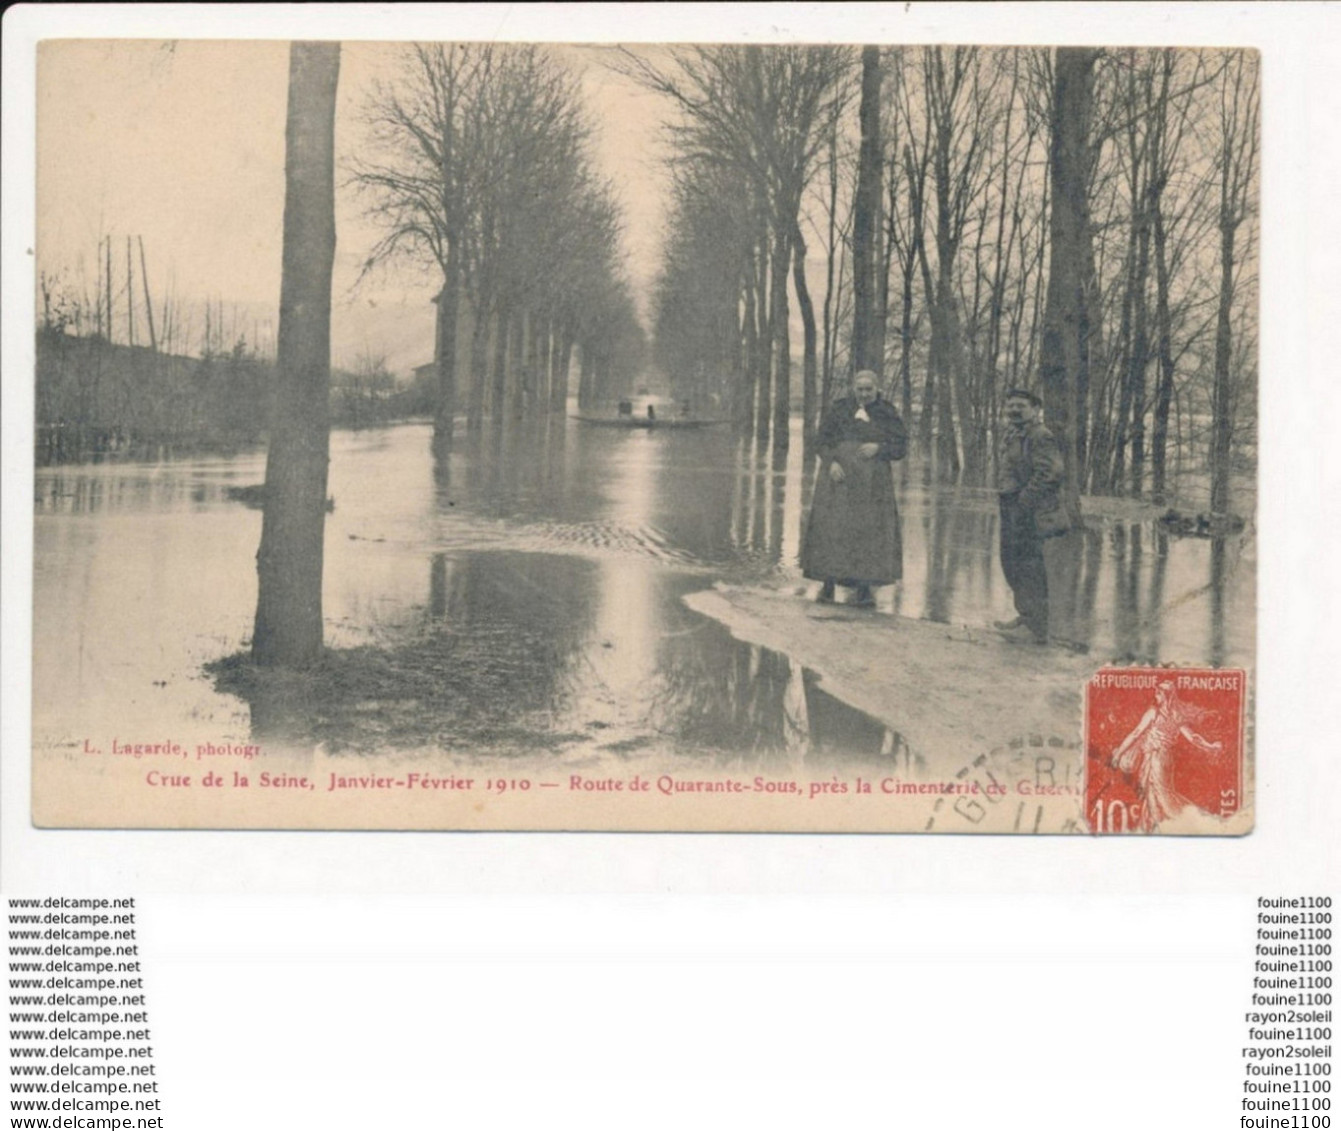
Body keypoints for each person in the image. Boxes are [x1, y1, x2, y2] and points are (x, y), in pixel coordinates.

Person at [801, 370, 908, 608]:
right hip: (838, 481)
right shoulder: (839, 409)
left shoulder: (887, 412)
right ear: (853, 389)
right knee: (833, 528)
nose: (864, 394)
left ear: (877, 389)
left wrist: (879, 448)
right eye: (860, 389)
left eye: (868, 389)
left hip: (873, 484)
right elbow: (821, 441)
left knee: (868, 530)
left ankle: (863, 590)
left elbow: (901, 447)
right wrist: (831, 462)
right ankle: (827, 587)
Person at [994, 388, 1065, 644]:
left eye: (1020, 406)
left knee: (1029, 565)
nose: (1014, 410)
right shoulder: (1014, 433)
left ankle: (1037, 627)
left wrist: (1024, 502)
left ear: (1035, 410)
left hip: (1027, 509)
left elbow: (1051, 473)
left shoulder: (1040, 435)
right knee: (1012, 562)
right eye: (1010, 405)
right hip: (1011, 504)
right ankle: (1026, 616)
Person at [1110, 681, 1223, 832]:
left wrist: (1119, 753)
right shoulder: (1176, 716)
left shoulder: (1153, 713)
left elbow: (1136, 733)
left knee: (1163, 798)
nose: (1156, 695)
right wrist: (1210, 747)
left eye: (1159, 693)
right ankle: (1161, 827)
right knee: (1158, 795)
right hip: (1165, 759)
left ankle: (1197, 820)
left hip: (1156, 758)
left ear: (1166, 696)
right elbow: (1193, 737)